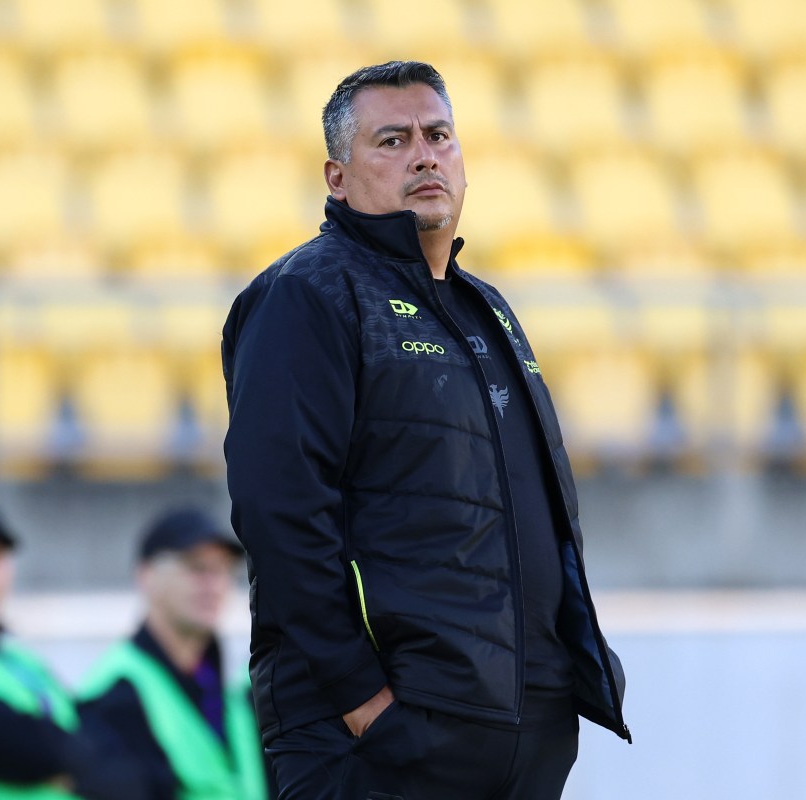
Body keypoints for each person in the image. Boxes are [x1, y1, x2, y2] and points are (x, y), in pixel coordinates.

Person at [222, 60, 630, 800]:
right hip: (383, 742)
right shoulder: (307, 295)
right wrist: (365, 704)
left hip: (518, 736)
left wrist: (559, 691)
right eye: (393, 140)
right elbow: (279, 511)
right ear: (337, 178)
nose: (424, 156)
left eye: (439, 135)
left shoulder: (486, 308)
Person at [0, 498, 141, 800]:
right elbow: (20, 745)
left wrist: (77, 759)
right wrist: (80, 759)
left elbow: (103, 746)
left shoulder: (17, 656)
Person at [77, 508, 270, 800]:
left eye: (222, 569)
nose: (213, 584)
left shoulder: (233, 687)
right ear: (147, 576)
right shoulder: (114, 692)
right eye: (196, 567)